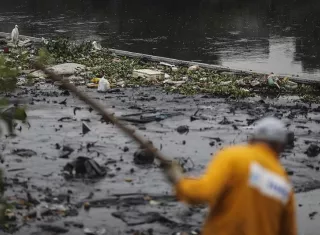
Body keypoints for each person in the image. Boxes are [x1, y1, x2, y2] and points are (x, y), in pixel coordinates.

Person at [164, 116, 297, 235]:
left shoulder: (232, 156)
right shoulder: (285, 184)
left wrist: (178, 181)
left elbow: (202, 193)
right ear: (281, 147)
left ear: (252, 139)